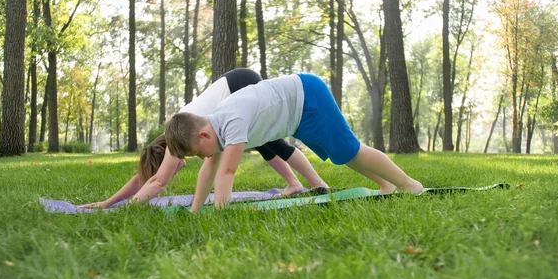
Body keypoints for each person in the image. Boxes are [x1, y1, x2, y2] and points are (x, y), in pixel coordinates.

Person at [164, 73, 424, 213]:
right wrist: (195, 211)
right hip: (297, 115)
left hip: (308, 98)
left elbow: (227, 171)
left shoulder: (231, 119)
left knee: (350, 149)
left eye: (198, 153)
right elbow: (209, 170)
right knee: (342, 155)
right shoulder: (215, 128)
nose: (202, 158)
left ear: (203, 136)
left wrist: (219, 212)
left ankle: (410, 184)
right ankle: (387, 184)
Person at [77, 69, 327, 209]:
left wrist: (127, 206)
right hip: (235, 81)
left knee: (270, 142)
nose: (174, 171)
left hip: (239, 84)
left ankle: (313, 183)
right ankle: (297, 183)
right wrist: (109, 201)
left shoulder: (176, 140)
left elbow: (156, 181)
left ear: (166, 154)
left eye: (171, 167)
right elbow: (146, 178)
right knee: (266, 143)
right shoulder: (175, 134)